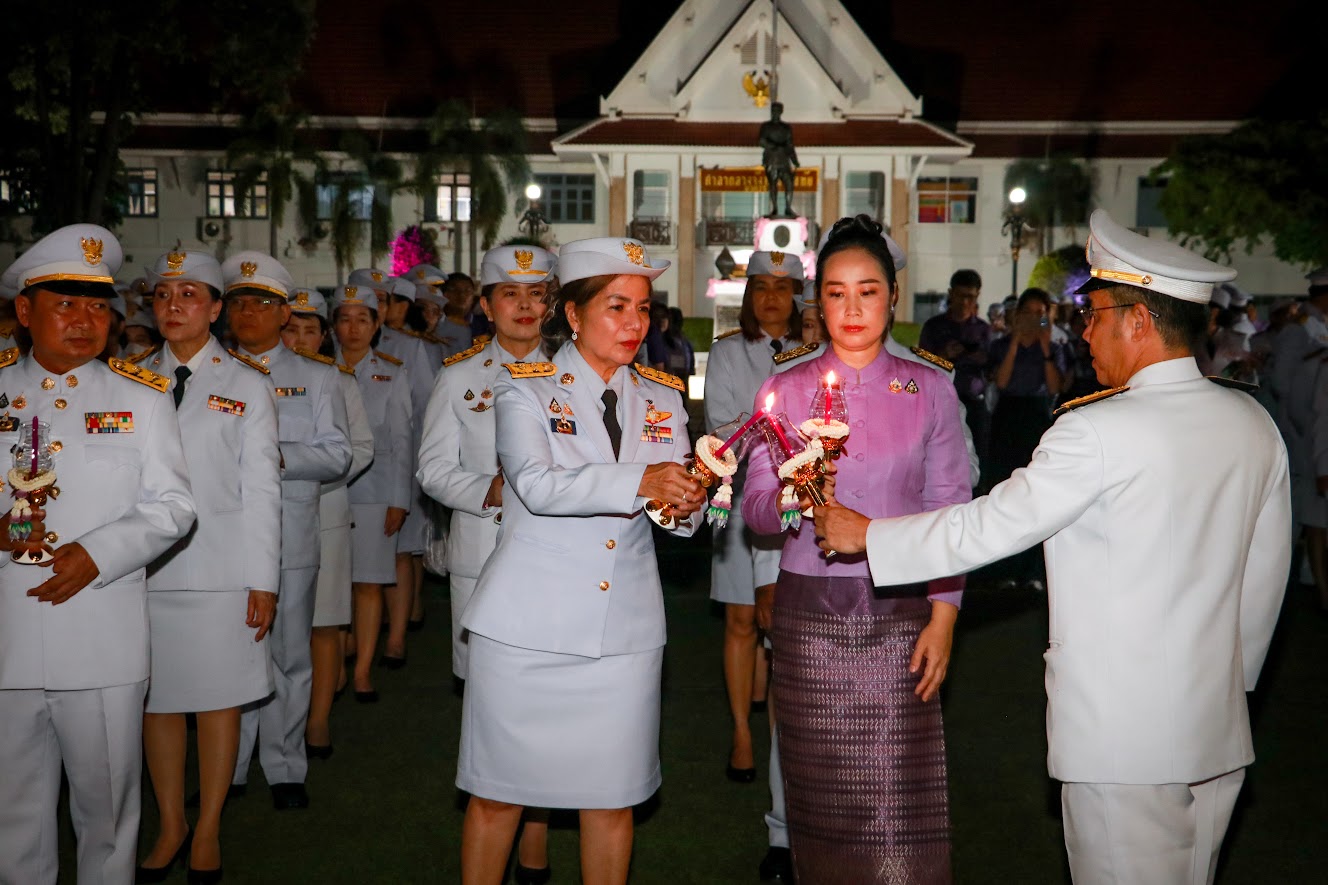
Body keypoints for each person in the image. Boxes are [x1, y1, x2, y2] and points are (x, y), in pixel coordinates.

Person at [815, 209, 1291, 885]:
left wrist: (868, 535)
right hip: (1217, 726)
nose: (1083, 329)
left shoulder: (1096, 431)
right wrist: (1230, 689)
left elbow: (989, 526)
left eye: (1094, 314)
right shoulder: (1252, 421)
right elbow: (1264, 583)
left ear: (1139, 321)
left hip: (1121, 739)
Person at [455, 237, 703, 885]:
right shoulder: (524, 389)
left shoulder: (663, 397)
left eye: (643, 308)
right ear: (572, 313)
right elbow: (536, 486)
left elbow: (679, 519)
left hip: (623, 633)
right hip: (525, 631)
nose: (634, 323)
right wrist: (643, 480)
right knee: (498, 796)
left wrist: (687, 500)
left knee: (612, 800)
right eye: (616, 306)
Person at [740, 216, 970, 884]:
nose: (851, 308)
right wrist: (795, 494)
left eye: (867, 291)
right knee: (818, 799)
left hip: (901, 611)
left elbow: (950, 510)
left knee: (897, 798)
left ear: (893, 296)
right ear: (819, 303)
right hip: (809, 613)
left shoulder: (929, 388)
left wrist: (945, 616)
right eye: (836, 293)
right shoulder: (786, 390)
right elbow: (755, 510)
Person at [0, 224, 196, 884]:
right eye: (66, 304)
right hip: (8, 637)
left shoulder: (141, 397)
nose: (85, 321)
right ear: (24, 311)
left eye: (97, 306)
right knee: (12, 815)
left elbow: (174, 506)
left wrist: (97, 552)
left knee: (107, 816)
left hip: (101, 639)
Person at [134, 250, 282, 882]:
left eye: (189, 294)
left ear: (216, 309)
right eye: (163, 294)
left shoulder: (246, 383)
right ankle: (172, 823)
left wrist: (264, 580)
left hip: (223, 569)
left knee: (220, 702)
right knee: (158, 703)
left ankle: (210, 826)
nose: (174, 305)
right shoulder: (129, 378)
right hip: (144, 571)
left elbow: (262, 490)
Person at [418, 244, 558, 884]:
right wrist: (487, 491)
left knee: (546, 709)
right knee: (492, 713)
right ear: (486, 304)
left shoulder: (574, 373)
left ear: (550, 304)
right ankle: (496, 835)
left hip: (556, 563)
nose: (524, 305)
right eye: (510, 293)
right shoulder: (459, 376)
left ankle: (535, 841)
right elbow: (431, 469)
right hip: (484, 559)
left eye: (536, 294)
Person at [225, 251, 352, 810]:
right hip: (220, 537)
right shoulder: (208, 374)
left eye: (261, 304)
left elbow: (338, 455)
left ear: (284, 314)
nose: (248, 312)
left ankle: (283, 766)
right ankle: (228, 765)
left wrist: (273, 455)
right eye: (238, 303)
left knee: (289, 654)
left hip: (289, 533)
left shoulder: (317, 377)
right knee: (227, 653)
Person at [280, 287, 374, 755]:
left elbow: (360, 448)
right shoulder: (250, 377)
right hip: (264, 517)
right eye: (291, 329)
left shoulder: (338, 380)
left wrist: (312, 481)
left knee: (323, 622)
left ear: (323, 337)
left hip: (325, 508)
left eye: (309, 330)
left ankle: (317, 720)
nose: (299, 339)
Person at [330, 284, 414, 701]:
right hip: (326, 491)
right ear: (333, 326)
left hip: (376, 490)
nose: (354, 328)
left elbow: (402, 441)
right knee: (333, 583)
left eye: (362, 319)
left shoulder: (392, 373)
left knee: (369, 582)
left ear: (376, 325)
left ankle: (362, 669)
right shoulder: (318, 370)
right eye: (345, 319)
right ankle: (335, 662)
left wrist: (400, 500)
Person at [987, 287, 1068, 590]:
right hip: (1007, 418)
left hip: (1037, 417)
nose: (1035, 319)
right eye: (1028, 313)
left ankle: (1033, 570)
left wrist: (1045, 346)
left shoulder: (1055, 347)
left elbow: (1055, 387)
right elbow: (1001, 381)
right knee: (1004, 490)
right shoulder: (1000, 345)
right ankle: (1003, 569)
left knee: (1035, 493)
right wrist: (1015, 341)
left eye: (1040, 314)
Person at [918, 269, 991, 468]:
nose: (965, 302)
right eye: (961, 296)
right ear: (951, 294)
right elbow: (921, 363)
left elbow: (993, 366)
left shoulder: (983, 330)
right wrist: (944, 355)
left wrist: (979, 357)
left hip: (975, 402)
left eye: (971, 297)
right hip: (942, 403)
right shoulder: (934, 327)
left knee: (978, 459)